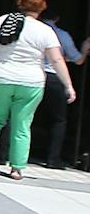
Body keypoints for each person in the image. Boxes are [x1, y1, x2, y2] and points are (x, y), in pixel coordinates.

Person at [0, 0, 75, 179]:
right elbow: (56, 60)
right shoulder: (45, 30)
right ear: (42, 9)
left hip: (1, 77)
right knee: (22, 124)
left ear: (20, 4)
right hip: (31, 82)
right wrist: (68, 85)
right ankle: (17, 168)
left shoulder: (5, 20)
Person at [39, 11, 88, 169]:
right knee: (59, 120)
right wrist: (85, 48)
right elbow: (78, 59)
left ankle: (2, 154)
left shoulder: (31, 29)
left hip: (32, 74)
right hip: (54, 77)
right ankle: (52, 159)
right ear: (57, 17)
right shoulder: (62, 35)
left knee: (21, 115)